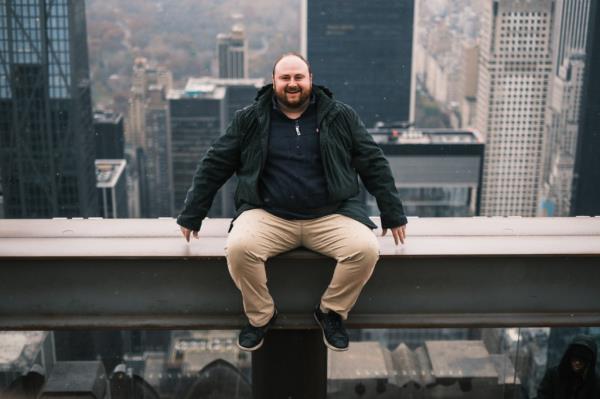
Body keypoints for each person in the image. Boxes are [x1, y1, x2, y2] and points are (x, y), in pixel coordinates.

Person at [177, 52, 407, 352]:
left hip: (331, 215)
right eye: (285, 78)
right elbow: (215, 164)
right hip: (268, 215)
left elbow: (372, 161)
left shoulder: (340, 116)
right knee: (239, 248)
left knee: (364, 250)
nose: (292, 83)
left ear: (311, 79)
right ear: (274, 82)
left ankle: (331, 312)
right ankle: (261, 316)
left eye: (299, 77)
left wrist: (393, 213)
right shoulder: (249, 119)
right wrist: (193, 214)